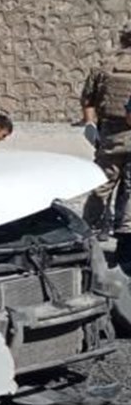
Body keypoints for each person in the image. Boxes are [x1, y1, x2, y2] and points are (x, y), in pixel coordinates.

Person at [80, 23, 131, 245]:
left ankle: (88, 230)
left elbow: (87, 99)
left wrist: (90, 124)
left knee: (102, 183)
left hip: (110, 134)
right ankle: (125, 233)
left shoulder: (104, 65)